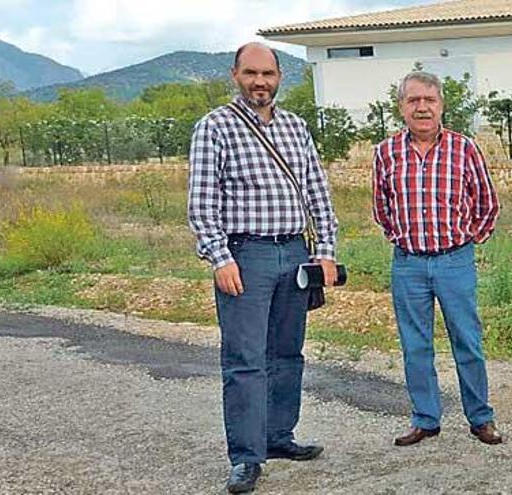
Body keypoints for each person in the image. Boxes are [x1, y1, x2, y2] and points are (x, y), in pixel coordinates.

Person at [188, 42, 339, 493]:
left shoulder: (296, 127)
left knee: (288, 354)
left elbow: (318, 193)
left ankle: (278, 436)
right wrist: (220, 257)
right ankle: (246, 457)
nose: (260, 82)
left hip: (294, 253)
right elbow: (201, 203)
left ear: (279, 77)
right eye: (251, 73)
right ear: (235, 74)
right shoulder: (215, 127)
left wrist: (326, 251)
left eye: (268, 74)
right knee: (245, 361)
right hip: (245, 257)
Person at [372, 71, 502, 447]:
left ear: (441, 105)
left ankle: (480, 418)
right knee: (415, 345)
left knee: (468, 342)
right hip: (408, 264)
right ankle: (426, 419)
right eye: (413, 100)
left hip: (454, 261)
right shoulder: (386, 152)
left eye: (429, 99)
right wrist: (399, 236)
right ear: (402, 107)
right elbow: (381, 207)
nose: (422, 107)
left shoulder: (464, 148)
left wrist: (470, 239)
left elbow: (487, 203)